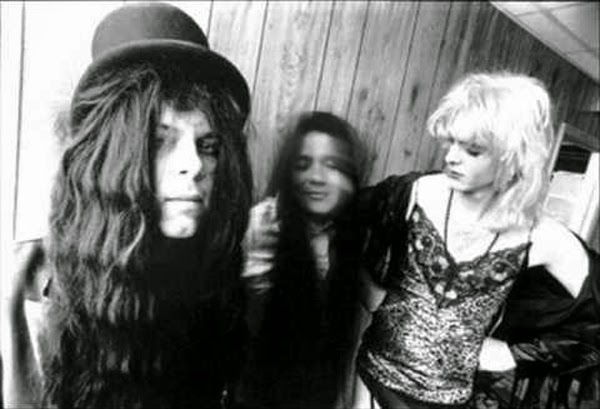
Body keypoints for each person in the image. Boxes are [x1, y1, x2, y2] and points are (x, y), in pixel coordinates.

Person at [1, 3, 253, 408]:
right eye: (160, 141)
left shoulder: (215, 282)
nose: (194, 165)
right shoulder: (19, 292)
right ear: (110, 156)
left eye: (208, 145)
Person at [355, 72, 591, 408]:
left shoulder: (542, 235)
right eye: (450, 142)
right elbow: (340, 220)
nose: (451, 157)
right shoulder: (415, 192)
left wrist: (514, 354)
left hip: (454, 398)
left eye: (473, 150)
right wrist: (370, 292)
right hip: (375, 378)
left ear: (512, 156)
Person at [236, 111, 369, 408]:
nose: (316, 178)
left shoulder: (350, 238)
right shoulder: (264, 226)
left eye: (332, 165)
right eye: (303, 164)